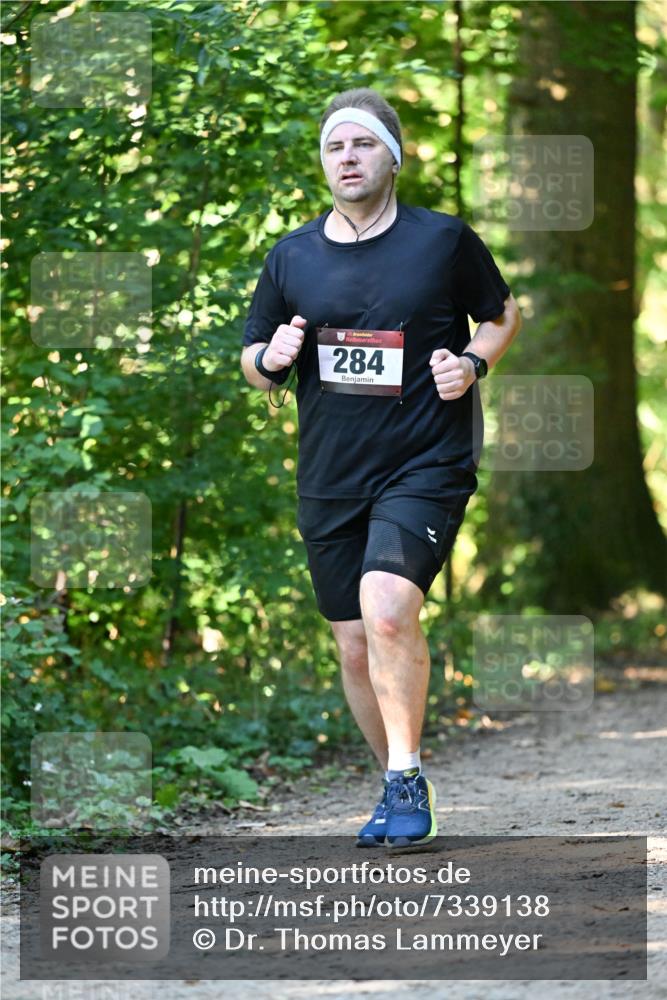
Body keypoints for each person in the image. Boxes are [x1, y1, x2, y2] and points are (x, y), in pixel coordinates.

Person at [241, 88, 521, 849]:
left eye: (363, 145)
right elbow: (254, 360)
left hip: (425, 459)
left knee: (388, 607)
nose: (348, 158)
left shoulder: (441, 241)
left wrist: (470, 364)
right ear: (324, 163)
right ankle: (397, 779)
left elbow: (499, 315)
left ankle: (402, 776)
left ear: (390, 157)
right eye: (335, 148)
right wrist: (271, 359)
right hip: (330, 470)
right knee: (353, 642)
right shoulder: (292, 255)